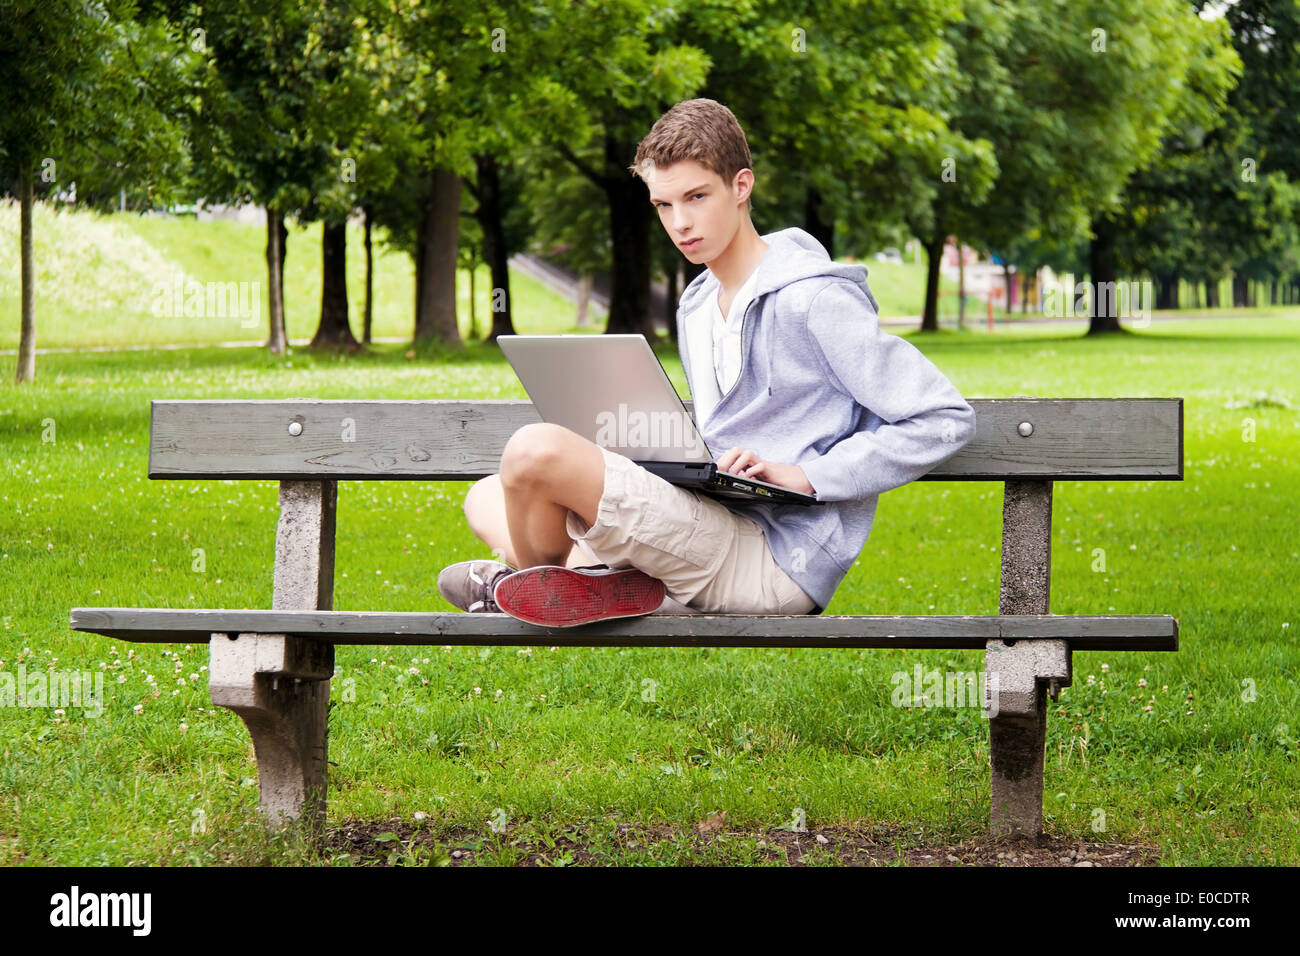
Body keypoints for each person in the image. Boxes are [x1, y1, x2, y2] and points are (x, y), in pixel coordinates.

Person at [439, 98, 976, 627]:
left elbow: (943, 419)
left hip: (777, 556)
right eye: (664, 206)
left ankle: (548, 587)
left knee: (534, 452)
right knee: (487, 494)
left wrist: (808, 475)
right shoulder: (696, 304)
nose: (680, 223)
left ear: (741, 186)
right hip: (711, 520)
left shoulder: (815, 302)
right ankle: (586, 584)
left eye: (696, 197)